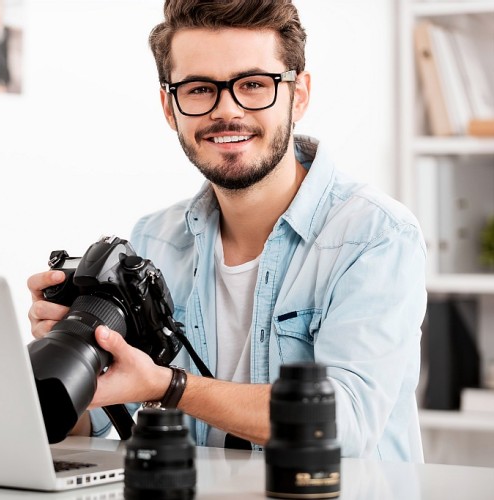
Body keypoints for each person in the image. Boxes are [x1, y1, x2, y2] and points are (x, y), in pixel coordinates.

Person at [27, 0, 426, 462]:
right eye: (199, 89)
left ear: (298, 95)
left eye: (254, 84)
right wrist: (68, 356)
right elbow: (97, 420)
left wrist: (170, 385)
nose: (227, 110)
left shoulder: (375, 235)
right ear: (168, 106)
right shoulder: (155, 240)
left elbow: (343, 423)